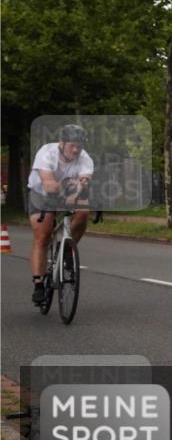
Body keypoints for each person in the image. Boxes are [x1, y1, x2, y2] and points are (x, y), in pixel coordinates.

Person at [27, 124, 93, 305]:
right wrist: (67, 184)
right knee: (43, 236)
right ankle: (39, 284)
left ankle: (67, 250)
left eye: (79, 145)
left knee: (84, 210)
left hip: (65, 191)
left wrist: (79, 191)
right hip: (41, 193)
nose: (76, 149)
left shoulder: (85, 158)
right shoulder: (46, 153)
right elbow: (49, 186)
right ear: (61, 143)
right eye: (72, 144)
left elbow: (84, 184)